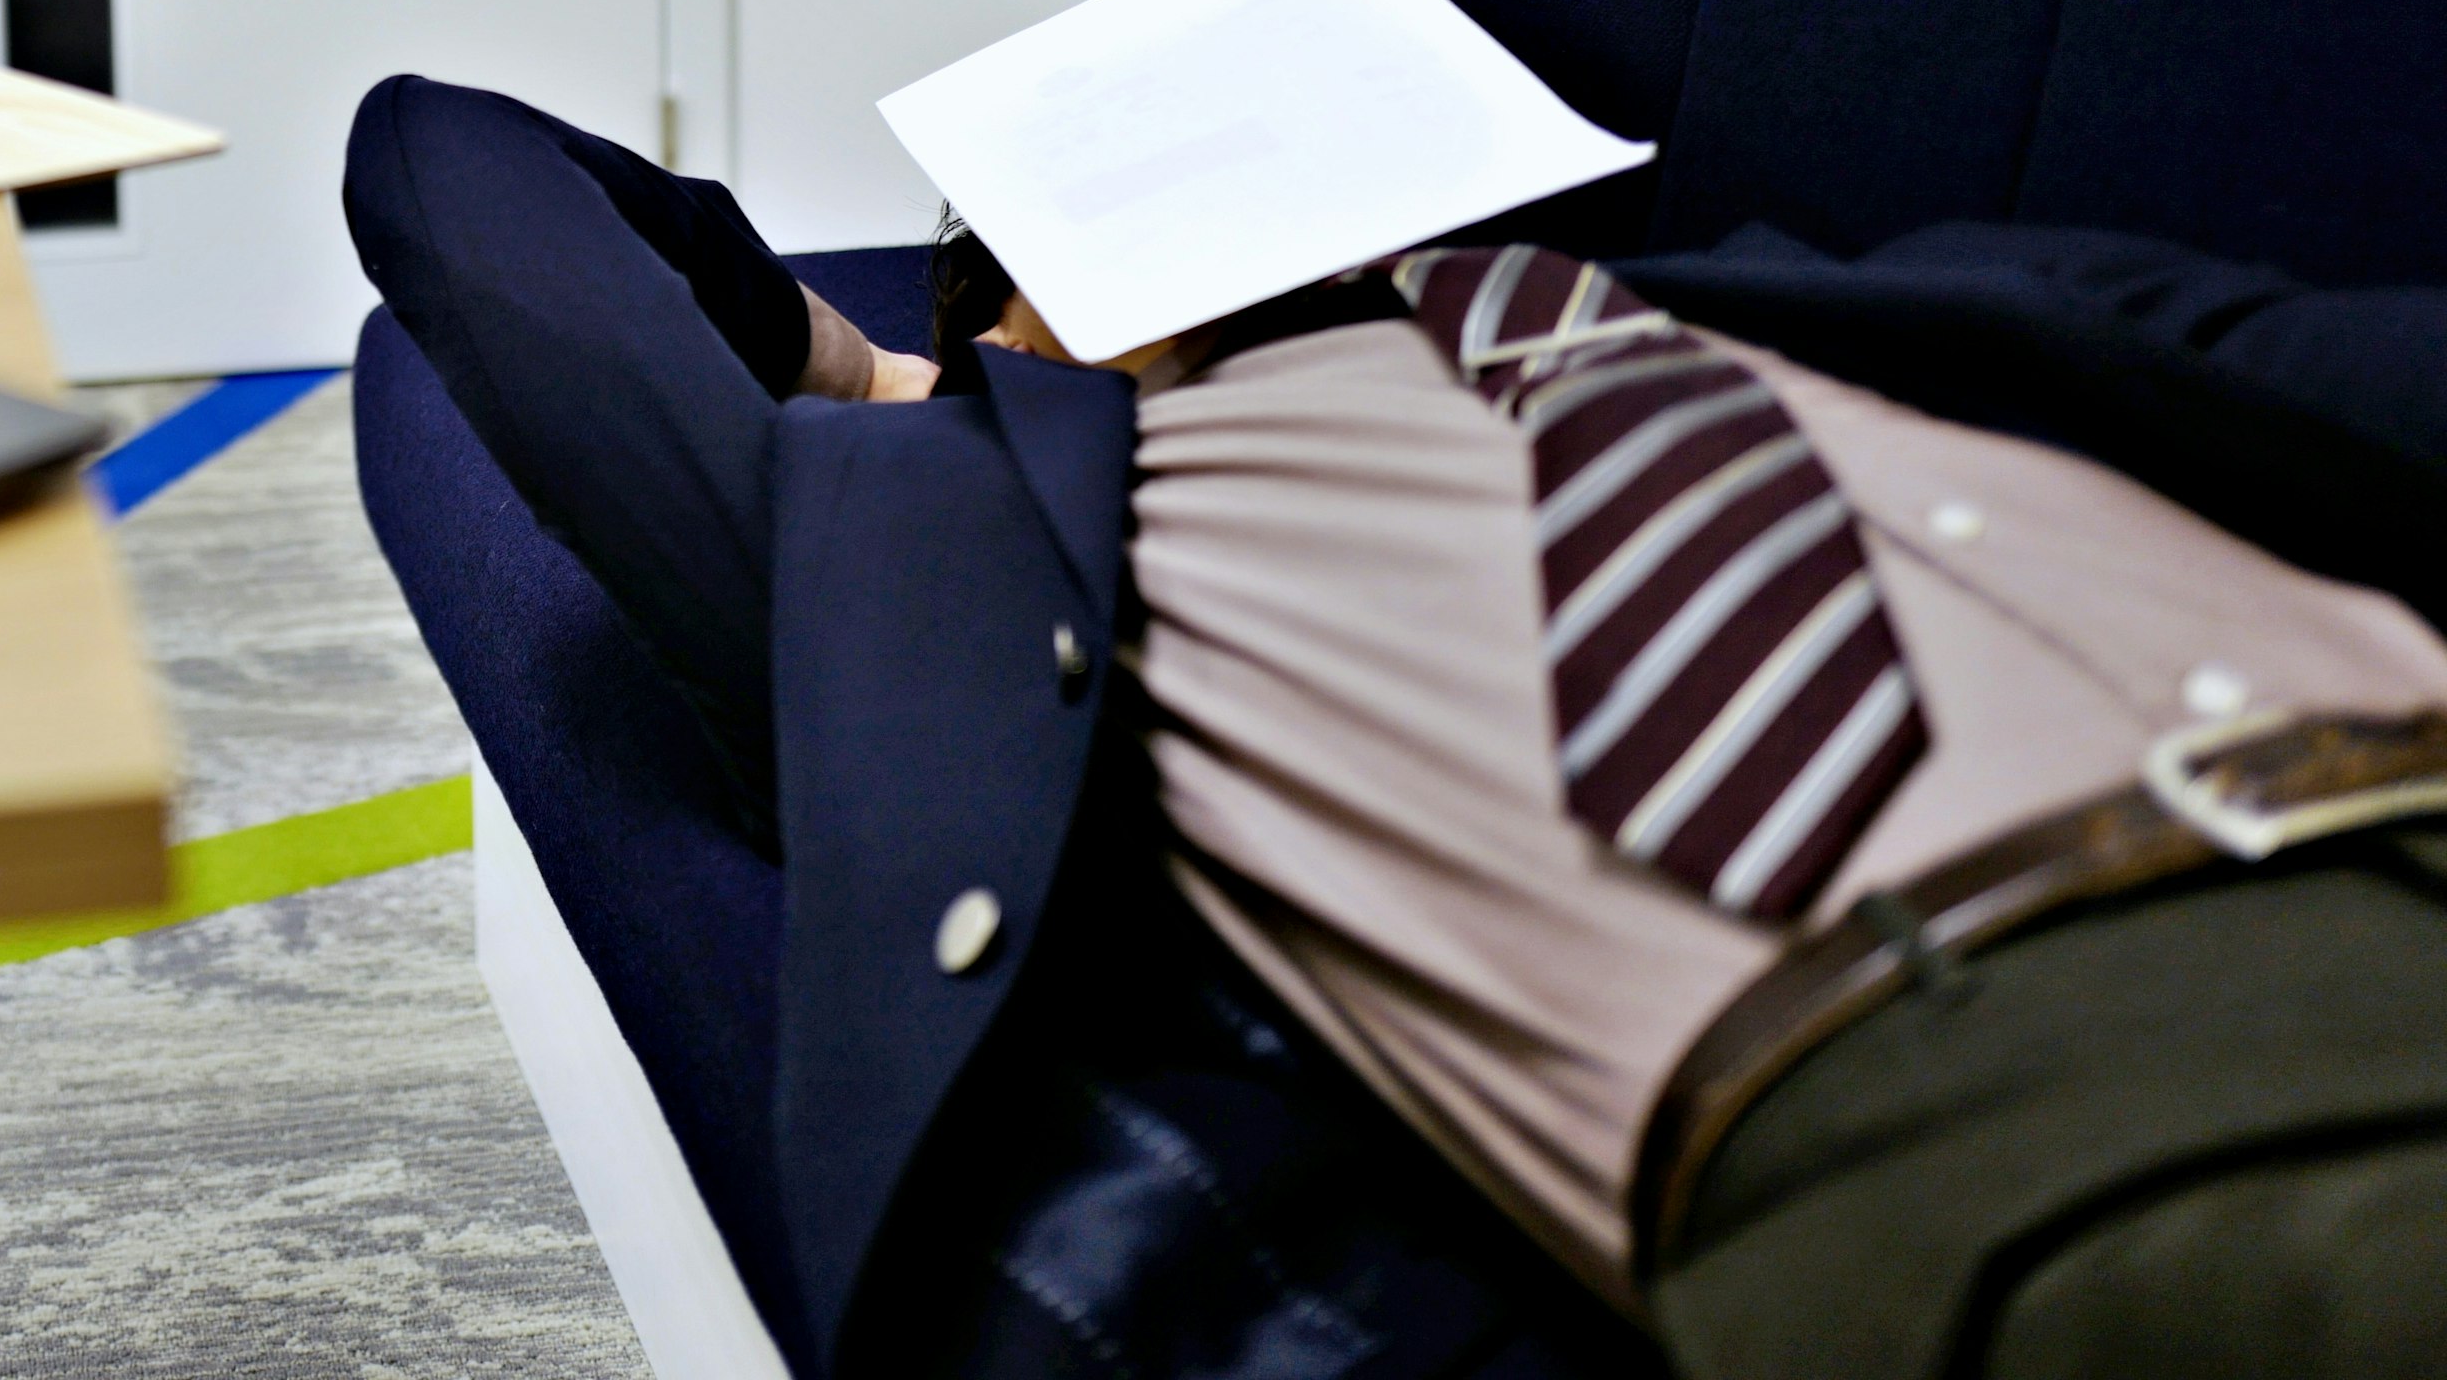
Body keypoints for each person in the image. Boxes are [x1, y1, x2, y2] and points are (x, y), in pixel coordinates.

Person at [344, 72, 2447, 1380]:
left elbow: (2308, 362)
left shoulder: (1823, 293)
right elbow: (450, 164)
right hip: (1991, 1063)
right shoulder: (966, 531)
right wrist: (861, 370)